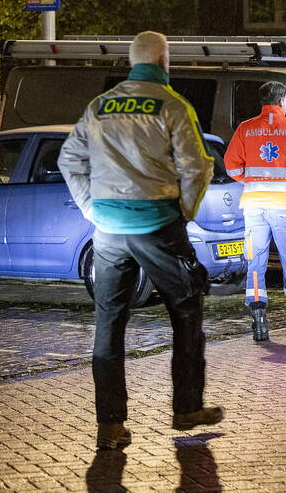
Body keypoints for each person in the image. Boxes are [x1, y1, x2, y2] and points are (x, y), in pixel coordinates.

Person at [58, 31, 223, 450]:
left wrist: (92, 209)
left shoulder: (100, 105)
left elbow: (68, 159)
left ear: (132, 63)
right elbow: (195, 167)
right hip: (157, 225)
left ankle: (110, 425)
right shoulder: (172, 104)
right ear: (165, 62)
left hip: (109, 231)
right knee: (186, 309)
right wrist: (182, 212)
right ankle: (186, 407)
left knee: (109, 323)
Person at [224, 81, 286, 342]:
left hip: (254, 206)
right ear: (283, 101)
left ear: (262, 101)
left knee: (256, 261)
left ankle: (257, 315)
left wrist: (252, 181)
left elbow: (231, 167)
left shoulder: (245, 129)